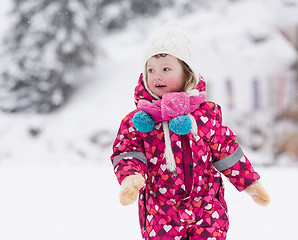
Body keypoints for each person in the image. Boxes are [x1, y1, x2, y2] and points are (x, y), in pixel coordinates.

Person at [111, 22, 270, 240]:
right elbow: (127, 152)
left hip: (207, 206)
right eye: (151, 70)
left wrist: (250, 182)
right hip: (161, 212)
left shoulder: (205, 116)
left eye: (166, 69)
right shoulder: (137, 122)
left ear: (187, 73)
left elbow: (226, 151)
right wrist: (131, 177)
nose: (157, 76)